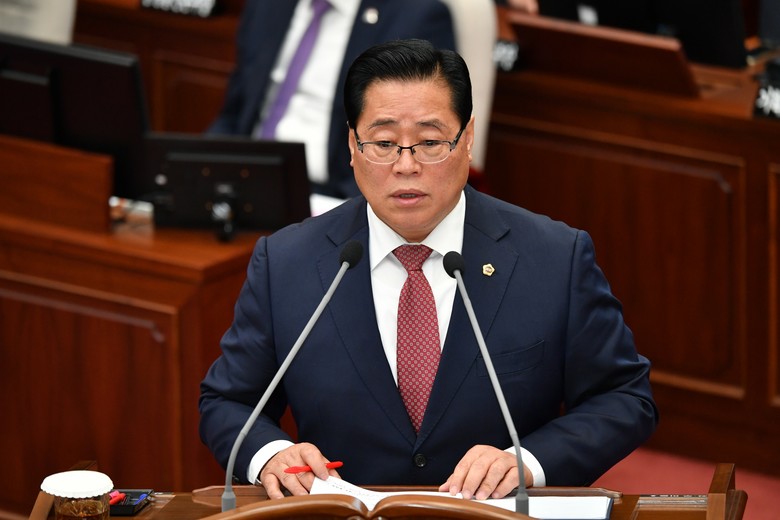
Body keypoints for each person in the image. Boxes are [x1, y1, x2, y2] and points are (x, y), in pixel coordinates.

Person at [199, 38, 658, 502]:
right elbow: (228, 401)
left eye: (430, 142)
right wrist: (270, 454)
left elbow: (624, 397)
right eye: (383, 143)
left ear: (468, 138)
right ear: (352, 145)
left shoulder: (554, 257)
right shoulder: (287, 262)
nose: (406, 165)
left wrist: (531, 461)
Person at [207, 0, 457, 200]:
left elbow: (420, 145)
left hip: (332, 196)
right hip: (245, 180)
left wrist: (345, 211)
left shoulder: (416, 17)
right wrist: (204, 168)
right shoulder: (268, 5)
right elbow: (234, 111)